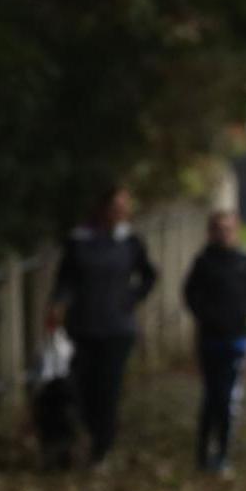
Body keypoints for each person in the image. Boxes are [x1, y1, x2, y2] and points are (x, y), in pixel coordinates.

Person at [50, 185, 157, 465]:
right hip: (82, 326)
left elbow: (148, 275)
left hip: (117, 328)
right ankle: (80, 436)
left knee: (108, 389)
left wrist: (131, 298)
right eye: (115, 207)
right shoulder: (79, 241)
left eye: (123, 208)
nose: (119, 213)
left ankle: (102, 445)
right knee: (81, 387)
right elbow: (65, 279)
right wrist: (58, 304)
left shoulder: (131, 242)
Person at [181, 210, 246, 473]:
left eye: (228, 229)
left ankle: (224, 453)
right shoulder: (203, 262)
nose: (224, 234)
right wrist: (205, 315)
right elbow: (190, 293)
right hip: (210, 339)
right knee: (211, 396)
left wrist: (244, 311)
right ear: (211, 232)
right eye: (219, 229)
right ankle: (203, 452)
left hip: (237, 339)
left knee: (228, 399)